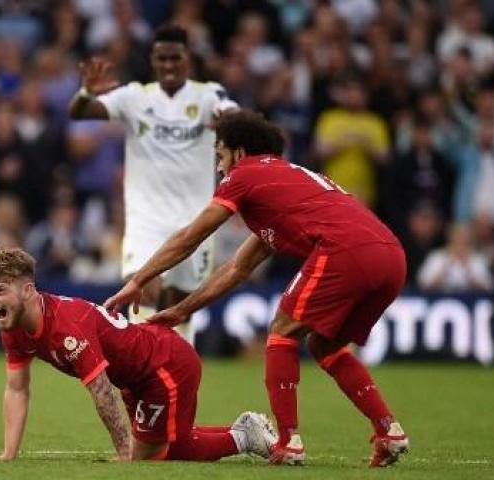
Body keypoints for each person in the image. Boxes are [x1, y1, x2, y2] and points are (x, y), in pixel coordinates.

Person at [105, 110, 410, 467]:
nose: (219, 168)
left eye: (220, 156)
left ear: (238, 152)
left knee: (281, 333)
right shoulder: (282, 185)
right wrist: (183, 310)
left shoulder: (246, 174)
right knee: (323, 344)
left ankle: (288, 442)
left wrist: (137, 280)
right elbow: (238, 267)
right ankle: (388, 430)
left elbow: (190, 237)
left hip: (346, 250)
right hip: (391, 256)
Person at [0, 247, 275, 462]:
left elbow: (102, 391)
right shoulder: (12, 326)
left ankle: (245, 438)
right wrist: (9, 453)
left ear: (27, 290)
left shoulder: (65, 327)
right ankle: (245, 432)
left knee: (154, 455)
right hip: (134, 379)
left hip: (163, 365)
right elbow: (16, 388)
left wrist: (123, 456)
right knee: (162, 444)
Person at [68, 24, 238, 338]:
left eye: (175, 58)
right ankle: (143, 378)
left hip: (196, 219)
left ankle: (179, 378)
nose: (169, 65)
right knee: (142, 290)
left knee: (179, 305)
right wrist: (86, 92)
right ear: (152, 60)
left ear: (188, 59)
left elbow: (231, 114)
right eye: (162, 58)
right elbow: (79, 112)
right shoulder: (134, 96)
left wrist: (225, 122)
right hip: (146, 218)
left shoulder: (207, 95)